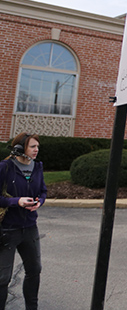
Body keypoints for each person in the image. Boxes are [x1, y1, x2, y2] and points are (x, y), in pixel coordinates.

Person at [0, 133, 46, 310]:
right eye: (32, 147)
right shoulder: (5, 167)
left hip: (29, 228)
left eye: (37, 147)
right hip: (8, 229)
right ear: (20, 148)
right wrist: (16, 201)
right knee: (3, 277)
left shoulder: (38, 167)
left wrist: (38, 203)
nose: (36, 150)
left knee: (34, 270)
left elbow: (43, 191)